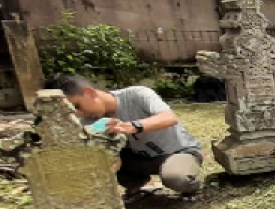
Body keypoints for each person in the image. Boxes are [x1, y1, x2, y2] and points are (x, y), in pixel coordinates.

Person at [46, 74, 204, 200]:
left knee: (177, 178)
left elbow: (169, 118)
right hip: (140, 160)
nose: (78, 114)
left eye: (77, 106)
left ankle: (192, 183)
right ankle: (139, 184)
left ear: (90, 93)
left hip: (178, 152)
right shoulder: (88, 121)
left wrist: (132, 126)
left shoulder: (137, 94)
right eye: (72, 111)